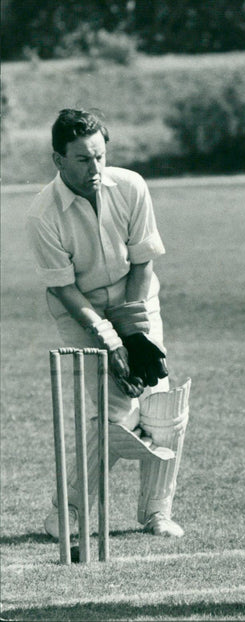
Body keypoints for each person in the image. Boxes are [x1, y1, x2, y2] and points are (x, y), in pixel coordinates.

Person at [26, 109, 190, 539]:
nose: (95, 168)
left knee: (163, 410)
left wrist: (133, 333)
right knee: (117, 415)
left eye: (100, 155)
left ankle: (157, 512)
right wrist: (108, 338)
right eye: (82, 159)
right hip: (82, 311)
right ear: (58, 160)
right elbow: (65, 289)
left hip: (136, 297)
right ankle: (71, 510)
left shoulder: (131, 186)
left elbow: (143, 261)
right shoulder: (43, 214)